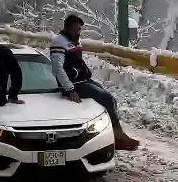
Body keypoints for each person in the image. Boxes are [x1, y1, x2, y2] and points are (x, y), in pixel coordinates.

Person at [50, 15, 140, 151]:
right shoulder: (59, 43)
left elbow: (77, 62)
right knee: (107, 99)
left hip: (82, 80)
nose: (79, 32)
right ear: (68, 28)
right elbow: (58, 69)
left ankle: (115, 133)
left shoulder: (75, 41)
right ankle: (118, 137)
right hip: (75, 85)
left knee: (111, 100)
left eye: (80, 29)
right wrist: (69, 89)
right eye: (77, 29)